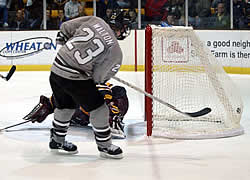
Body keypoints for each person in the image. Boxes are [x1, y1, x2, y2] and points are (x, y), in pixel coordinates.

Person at [42, 9, 131, 159]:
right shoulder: (115, 52)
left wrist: (65, 49)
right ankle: (105, 146)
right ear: (121, 27)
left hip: (56, 69)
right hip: (74, 77)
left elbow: (66, 28)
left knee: (65, 105)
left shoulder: (95, 21)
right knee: (99, 109)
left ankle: (57, 141)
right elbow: (97, 78)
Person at [23, 83, 129, 139]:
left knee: (115, 92)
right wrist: (45, 106)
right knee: (114, 93)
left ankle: (112, 121)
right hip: (80, 113)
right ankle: (111, 122)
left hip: (81, 112)